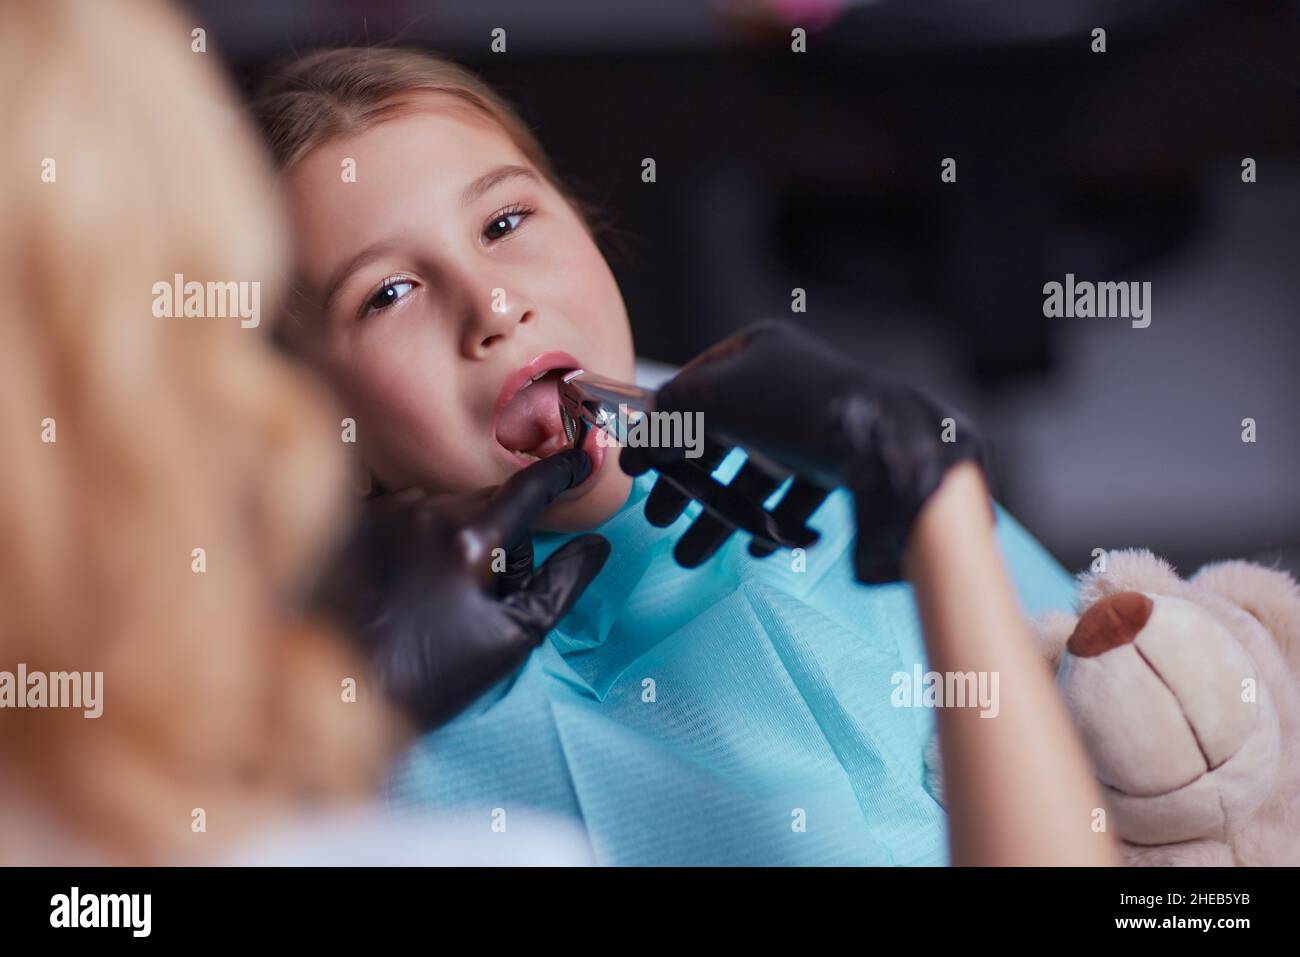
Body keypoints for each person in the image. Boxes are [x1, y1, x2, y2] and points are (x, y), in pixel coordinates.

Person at [253, 46, 1117, 865]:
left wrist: (940, 509)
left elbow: (1140, 759)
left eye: (506, 220)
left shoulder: (840, 470)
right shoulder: (334, 714)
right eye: (388, 294)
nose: (494, 303)